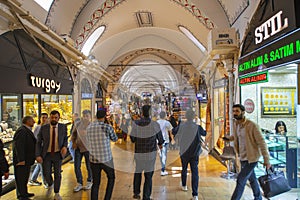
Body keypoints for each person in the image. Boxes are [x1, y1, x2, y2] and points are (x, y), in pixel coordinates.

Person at [224, 104, 271, 200]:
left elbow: (262, 142)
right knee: (252, 179)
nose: (235, 113)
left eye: (237, 111)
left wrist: (267, 160)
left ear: (243, 112)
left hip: (252, 158)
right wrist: (229, 139)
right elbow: (237, 137)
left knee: (241, 180)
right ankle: (258, 197)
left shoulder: (252, 125)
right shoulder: (236, 124)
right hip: (242, 157)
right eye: (233, 111)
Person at [130, 105, 164, 200]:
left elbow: (132, 139)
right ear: (150, 113)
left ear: (142, 113)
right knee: (148, 176)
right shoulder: (154, 124)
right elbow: (160, 139)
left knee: (138, 172)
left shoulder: (136, 123)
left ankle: (136, 193)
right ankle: (146, 196)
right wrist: (160, 144)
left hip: (139, 153)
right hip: (150, 154)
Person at [35, 110, 68, 200]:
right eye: (52, 117)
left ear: (58, 118)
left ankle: (57, 192)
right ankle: (50, 183)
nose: (54, 119)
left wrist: (65, 146)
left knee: (57, 173)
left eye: (55, 118)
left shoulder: (62, 127)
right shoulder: (44, 128)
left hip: (58, 154)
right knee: (46, 173)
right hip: (47, 155)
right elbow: (38, 142)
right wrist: (37, 155)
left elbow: (65, 138)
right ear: (50, 118)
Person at [86, 109, 118, 200]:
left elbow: (87, 141)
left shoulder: (89, 127)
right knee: (111, 178)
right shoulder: (107, 127)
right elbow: (115, 139)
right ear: (104, 117)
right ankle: (107, 198)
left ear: (96, 117)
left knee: (96, 182)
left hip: (93, 159)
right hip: (106, 159)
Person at [176, 109, 206, 200]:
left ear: (186, 116)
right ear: (194, 117)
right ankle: (195, 194)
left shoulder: (182, 126)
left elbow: (174, 131)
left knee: (184, 168)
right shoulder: (197, 127)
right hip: (194, 152)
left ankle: (184, 185)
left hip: (184, 151)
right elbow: (204, 133)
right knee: (195, 172)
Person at [13, 116, 36, 200]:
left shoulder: (26, 130)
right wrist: (21, 159)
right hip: (22, 160)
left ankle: (24, 193)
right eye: (32, 120)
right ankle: (21, 195)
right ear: (28, 121)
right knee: (21, 178)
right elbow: (19, 146)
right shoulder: (22, 131)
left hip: (27, 159)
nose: (34, 121)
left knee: (25, 176)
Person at [71, 110, 93, 192]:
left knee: (89, 166)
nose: (85, 118)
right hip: (78, 148)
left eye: (87, 116)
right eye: (84, 116)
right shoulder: (78, 124)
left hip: (88, 149)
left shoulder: (92, 126)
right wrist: (73, 142)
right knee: (77, 166)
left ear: (90, 117)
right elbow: (73, 134)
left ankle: (89, 181)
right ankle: (79, 182)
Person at [28, 113, 48, 187]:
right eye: (43, 117)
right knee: (42, 166)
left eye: (46, 117)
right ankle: (45, 182)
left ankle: (33, 179)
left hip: (44, 149)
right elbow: (35, 139)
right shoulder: (38, 127)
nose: (44, 119)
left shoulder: (47, 127)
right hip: (40, 150)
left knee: (40, 165)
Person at [157, 111, 173, 176]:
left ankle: (162, 167)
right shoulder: (167, 123)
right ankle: (163, 170)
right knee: (164, 155)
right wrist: (172, 139)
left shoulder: (157, 123)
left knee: (161, 155)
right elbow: (170, 131)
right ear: (164, 116)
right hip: (165, 140)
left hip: (158, 141)